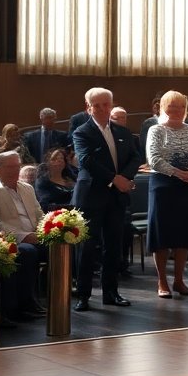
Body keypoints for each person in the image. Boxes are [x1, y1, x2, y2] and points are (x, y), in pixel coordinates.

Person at [71, 88, 140, 312]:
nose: (102, 109)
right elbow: (86, 161)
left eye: (105, 104)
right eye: (96, 105)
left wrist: (124, 179)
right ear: (88, 107)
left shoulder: (123, 131)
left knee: (113, 246)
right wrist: (114, 179)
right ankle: (83, 295)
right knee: (87, 247)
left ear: (111, 105)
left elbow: (135, 157)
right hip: (91, 196)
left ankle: (111, 293)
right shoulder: (81, 132)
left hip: (116, 198)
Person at [144, 91, 188, 299]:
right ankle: (162, 281)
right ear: (163, 108)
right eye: (171, 106)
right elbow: (153, 159)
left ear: (185, 109)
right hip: (163, 186)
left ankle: (179, 280)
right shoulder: (156, 130)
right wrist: (179, 173)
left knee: (184, 235)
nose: (176, 110)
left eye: (180, 106)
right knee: (162, 235)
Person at [0, 151, 47, 321]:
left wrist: (47, 230)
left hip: (34, 236)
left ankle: (56, 298)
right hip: (11, 240)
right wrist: (24, 236)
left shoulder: (27, 188)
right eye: (10, 167)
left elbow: (39, 214)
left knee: (61, 244)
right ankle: (25, 304)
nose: (15, 171)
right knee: (27, 251)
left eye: (17, 166)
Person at [34, 147, 75, 211]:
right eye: (54, 159)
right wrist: (69, 207)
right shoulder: (42, 181)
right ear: (48, 162)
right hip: (55, 217)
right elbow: (45, 205)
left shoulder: (72, 178)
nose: (59, 160)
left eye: (61, 158)